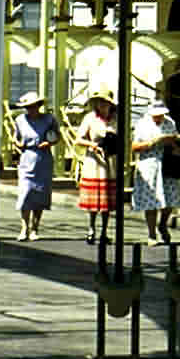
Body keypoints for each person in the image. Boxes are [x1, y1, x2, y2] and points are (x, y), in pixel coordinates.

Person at [131, 101, 180, 246]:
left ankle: (162, 224)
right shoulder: (142, 124)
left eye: (161, 115)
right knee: (151, 200)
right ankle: (151, 233)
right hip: (149, 163)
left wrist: (173, 143)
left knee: (171, 197)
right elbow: (134, 146)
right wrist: (152, 142)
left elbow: (175, 140)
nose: (159, 117)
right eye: (156, 115)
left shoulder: (169, 123)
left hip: (168, 163)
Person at [12, 92, 59, 242]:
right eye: (27, 107)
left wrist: (49, 143)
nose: (30, 109)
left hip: (43, 158)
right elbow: (15, 137)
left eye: (33, 106)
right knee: (25, 193)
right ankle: (24, 227)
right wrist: (17, 144)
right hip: (27, 157)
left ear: (38, 106)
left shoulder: (49, 119)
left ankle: (35, 228)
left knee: (40, 194)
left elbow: (56, 136)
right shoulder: (20, 120)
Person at [74, 90, 118, 245]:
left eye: (105, 102)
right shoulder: (90, 118)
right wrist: (92, 145)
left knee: (107, 200)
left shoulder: (115, 119)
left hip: (110, 160)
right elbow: (78, 139)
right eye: (99, 102)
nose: (102, 105)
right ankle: (91, 228)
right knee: (94, 199)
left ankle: (104, 231)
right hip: (94, 161)